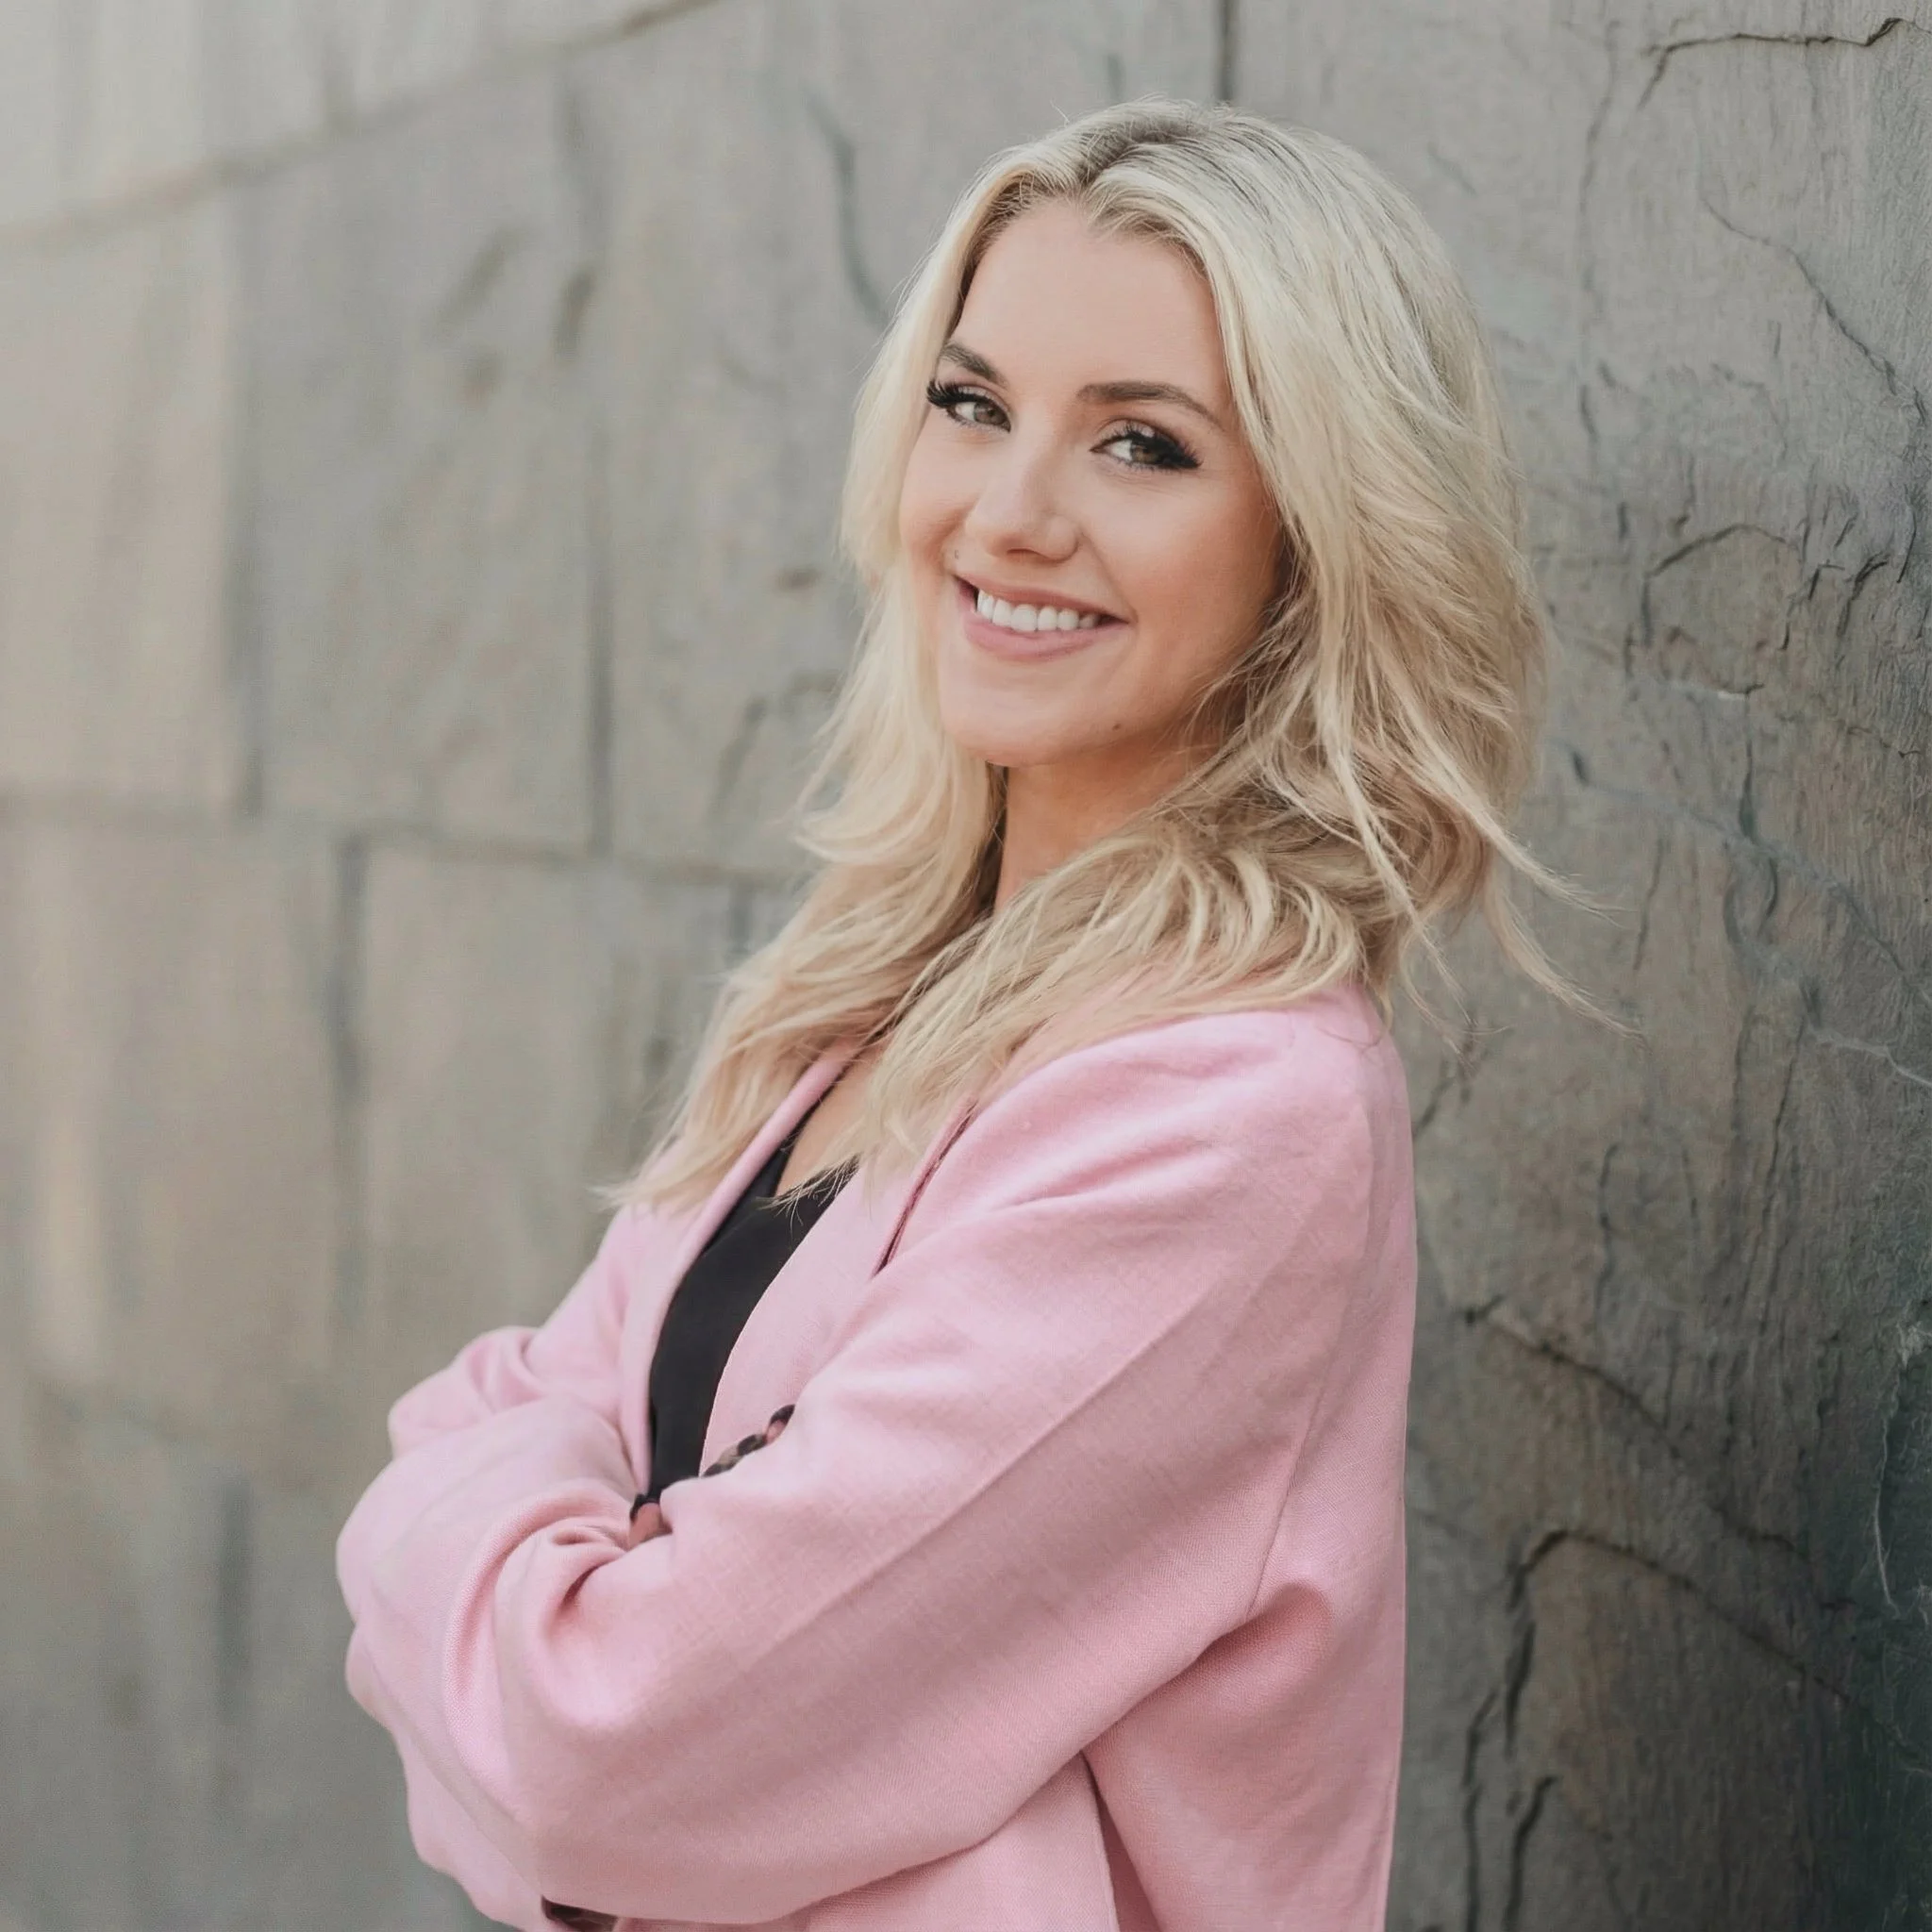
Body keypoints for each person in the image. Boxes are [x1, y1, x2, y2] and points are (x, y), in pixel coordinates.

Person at [335, 96, 1622, 1932]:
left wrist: (496, 1546)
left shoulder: (1228, 1116)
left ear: (1310, 543)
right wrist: (546, 1545)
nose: (1011, 515)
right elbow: (517, 1421)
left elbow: (598, 1741)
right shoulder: (861, 1000)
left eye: (1142, 444)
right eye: (972, 403)